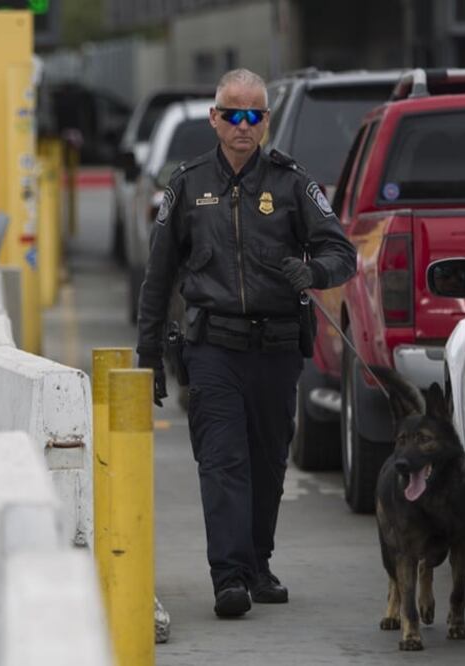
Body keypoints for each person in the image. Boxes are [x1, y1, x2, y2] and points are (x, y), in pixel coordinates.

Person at [135, 68, 356, 618]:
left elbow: (341, 253)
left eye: (253, 114)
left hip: (278, 349)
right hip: (212, 349)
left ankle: (258, 563)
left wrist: (313, 271)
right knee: (222, 460)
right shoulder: (185, 186)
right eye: (232, 113)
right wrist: (148, 360)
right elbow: (158, 279)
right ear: (214, 118)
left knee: (267, 463)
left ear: (266, 120)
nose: (242, 124)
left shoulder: (292, 183)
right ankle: (229, 577)